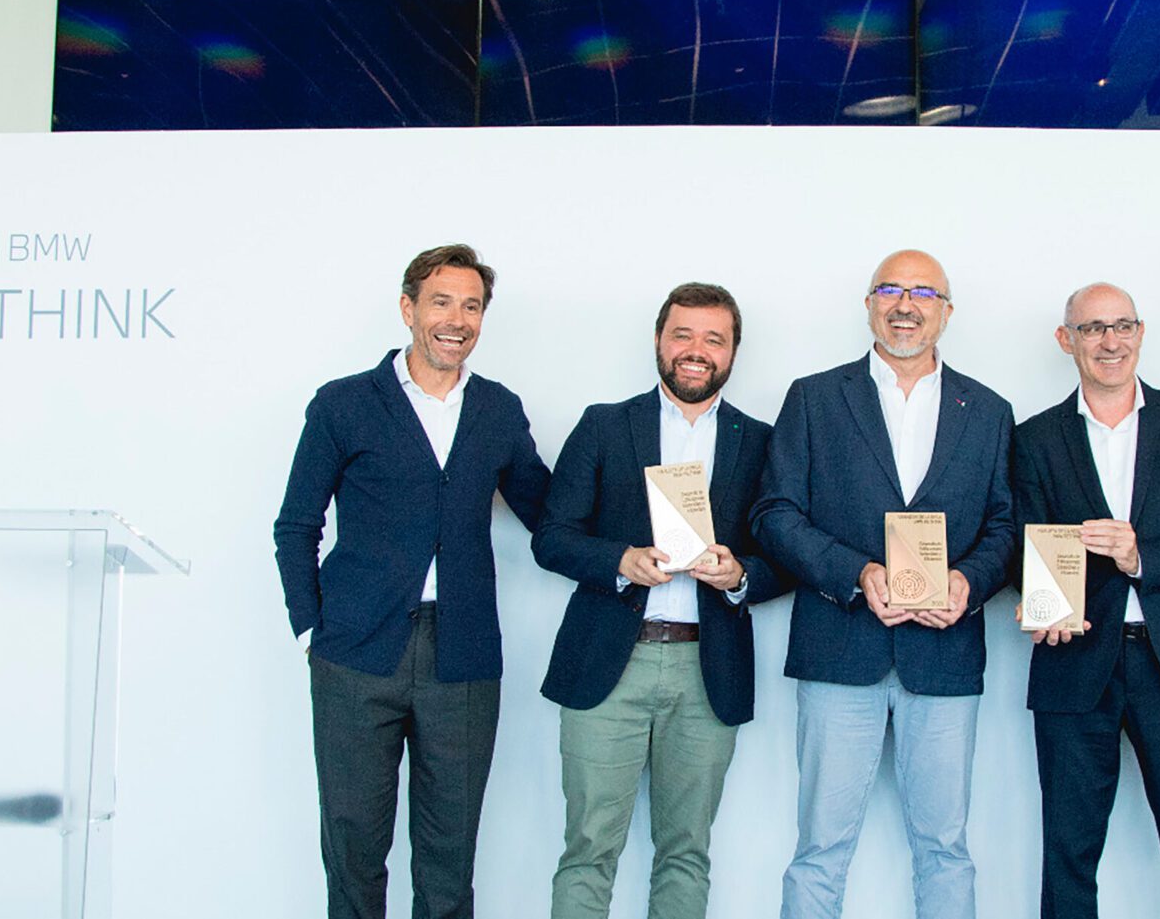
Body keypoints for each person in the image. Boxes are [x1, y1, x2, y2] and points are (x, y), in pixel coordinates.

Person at [274, 244, 552, 919]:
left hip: (463, 656)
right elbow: (296, 525)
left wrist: (645, 521)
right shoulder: (344, 404)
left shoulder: (497, 409)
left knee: (449, 864)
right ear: (408, 308)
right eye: (441, 302)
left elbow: (549, 514)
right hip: (355, 653)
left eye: (471, 306)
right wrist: (312, 630)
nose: (456, 320)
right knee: (353, 851)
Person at [752, 249, 1015, 919]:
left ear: (947, 311)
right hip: (840, 650)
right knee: (820, 848)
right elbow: (774, 513)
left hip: (945, 655)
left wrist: (968, 581)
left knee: (946, 849)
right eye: (891, 289)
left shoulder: (989, 409)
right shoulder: (814, 398)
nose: (906, 304)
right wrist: (857, 573)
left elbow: (1005, 526)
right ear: (869, 304)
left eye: (923, 292)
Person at [533, 282, 790, 919]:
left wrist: (739, 575)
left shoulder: (762, 442)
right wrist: (619, 562)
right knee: (588, 848)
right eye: (682, 335)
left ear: (733, 352)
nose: (696, 350)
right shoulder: (604, 425)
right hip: (607, 664)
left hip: (708, 669)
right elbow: (552, 537)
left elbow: (785, 556)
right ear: (658, 340)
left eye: (714, 339)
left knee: (687, 852)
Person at [1012, 283, 1160, 919]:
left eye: (1122, 326)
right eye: (1092, 329)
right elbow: (1022, 544)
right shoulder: (1035, 438)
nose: (1109, 341)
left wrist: (1142, 555)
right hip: (1074, 659)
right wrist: (1037, 601)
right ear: (1066, 340)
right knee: (1068, 855)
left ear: (1140, 334)